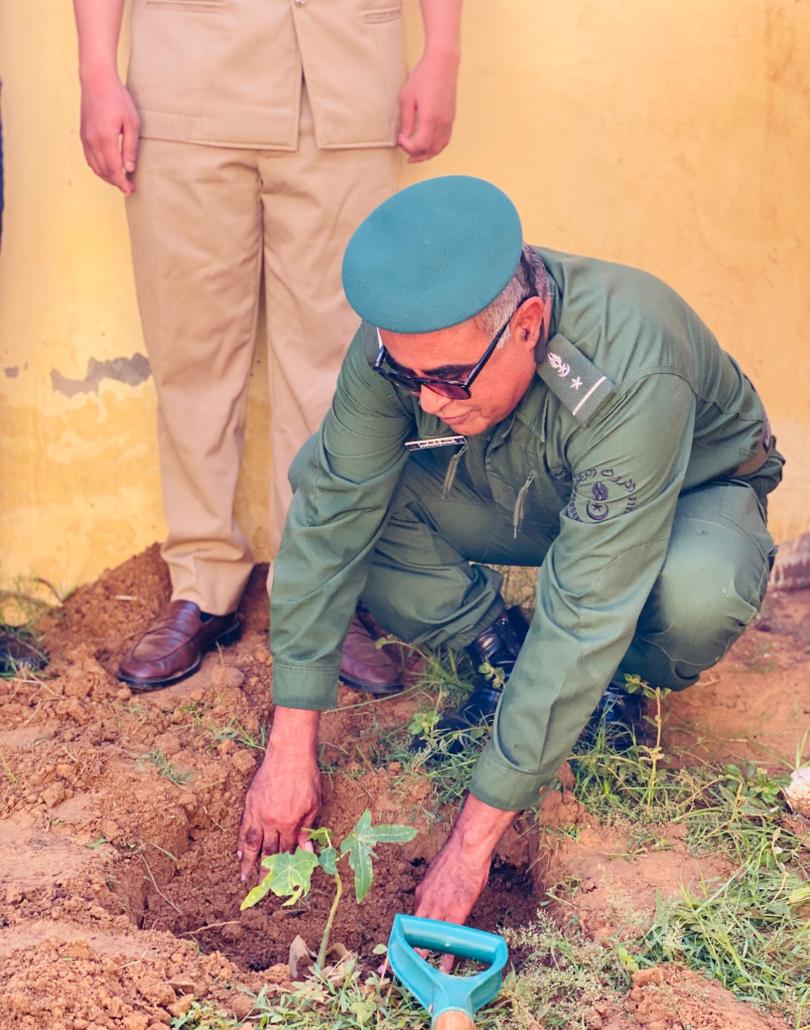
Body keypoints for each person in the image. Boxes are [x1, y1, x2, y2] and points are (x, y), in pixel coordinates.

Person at [237, 175, 783, 932]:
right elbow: (332, 513)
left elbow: (589, 601)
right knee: (349, 492)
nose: (427, 399)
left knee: (698, 593)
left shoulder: (632, 357)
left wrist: (469, 847)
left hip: (688, 491)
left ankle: (613, 686)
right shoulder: (407, 341)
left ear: (527, 324)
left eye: (448, 378)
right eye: (408, 376)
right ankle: (498, 647)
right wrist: (289, 744)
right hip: (525, 480)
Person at [72, 0, 462, 691]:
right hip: (184, 81)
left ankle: (316, 591)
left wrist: (443, 51)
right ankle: (203, 581)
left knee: (333, 368)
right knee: (193, 354)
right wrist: (98, 73)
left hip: (344, 81)